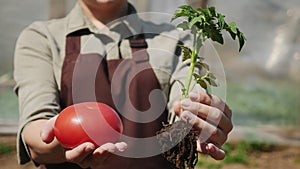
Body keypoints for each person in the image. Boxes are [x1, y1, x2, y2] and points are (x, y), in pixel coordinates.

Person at [13, 0, 233, 169]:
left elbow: (186, 102)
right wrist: (62, 136)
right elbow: (35, 131)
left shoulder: (174, 39)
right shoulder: (42, 37)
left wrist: (198, 121)